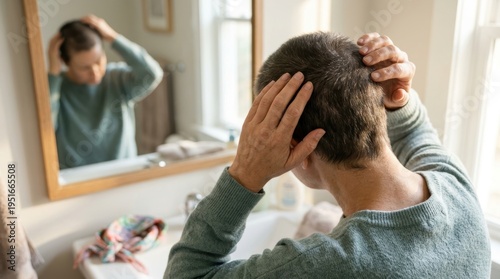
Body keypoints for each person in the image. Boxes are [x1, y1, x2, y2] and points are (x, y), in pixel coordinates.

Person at [164, 32, 491, 278]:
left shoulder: (327, 263)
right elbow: (416, 132)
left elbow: (188, 274)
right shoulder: (455, 186)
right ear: (378, 113)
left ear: (295, 148)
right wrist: (399, 95)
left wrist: (244, 174)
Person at [47, 15, 163, 169]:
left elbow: (152, 74)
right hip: (76, 178)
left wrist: (113, 38)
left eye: (98, 61)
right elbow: (46, 125)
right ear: (65, 61)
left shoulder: (117, 78)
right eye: (84, 67)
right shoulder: (56, 87)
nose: (95, 72)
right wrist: (53, 73)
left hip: (124, 171)